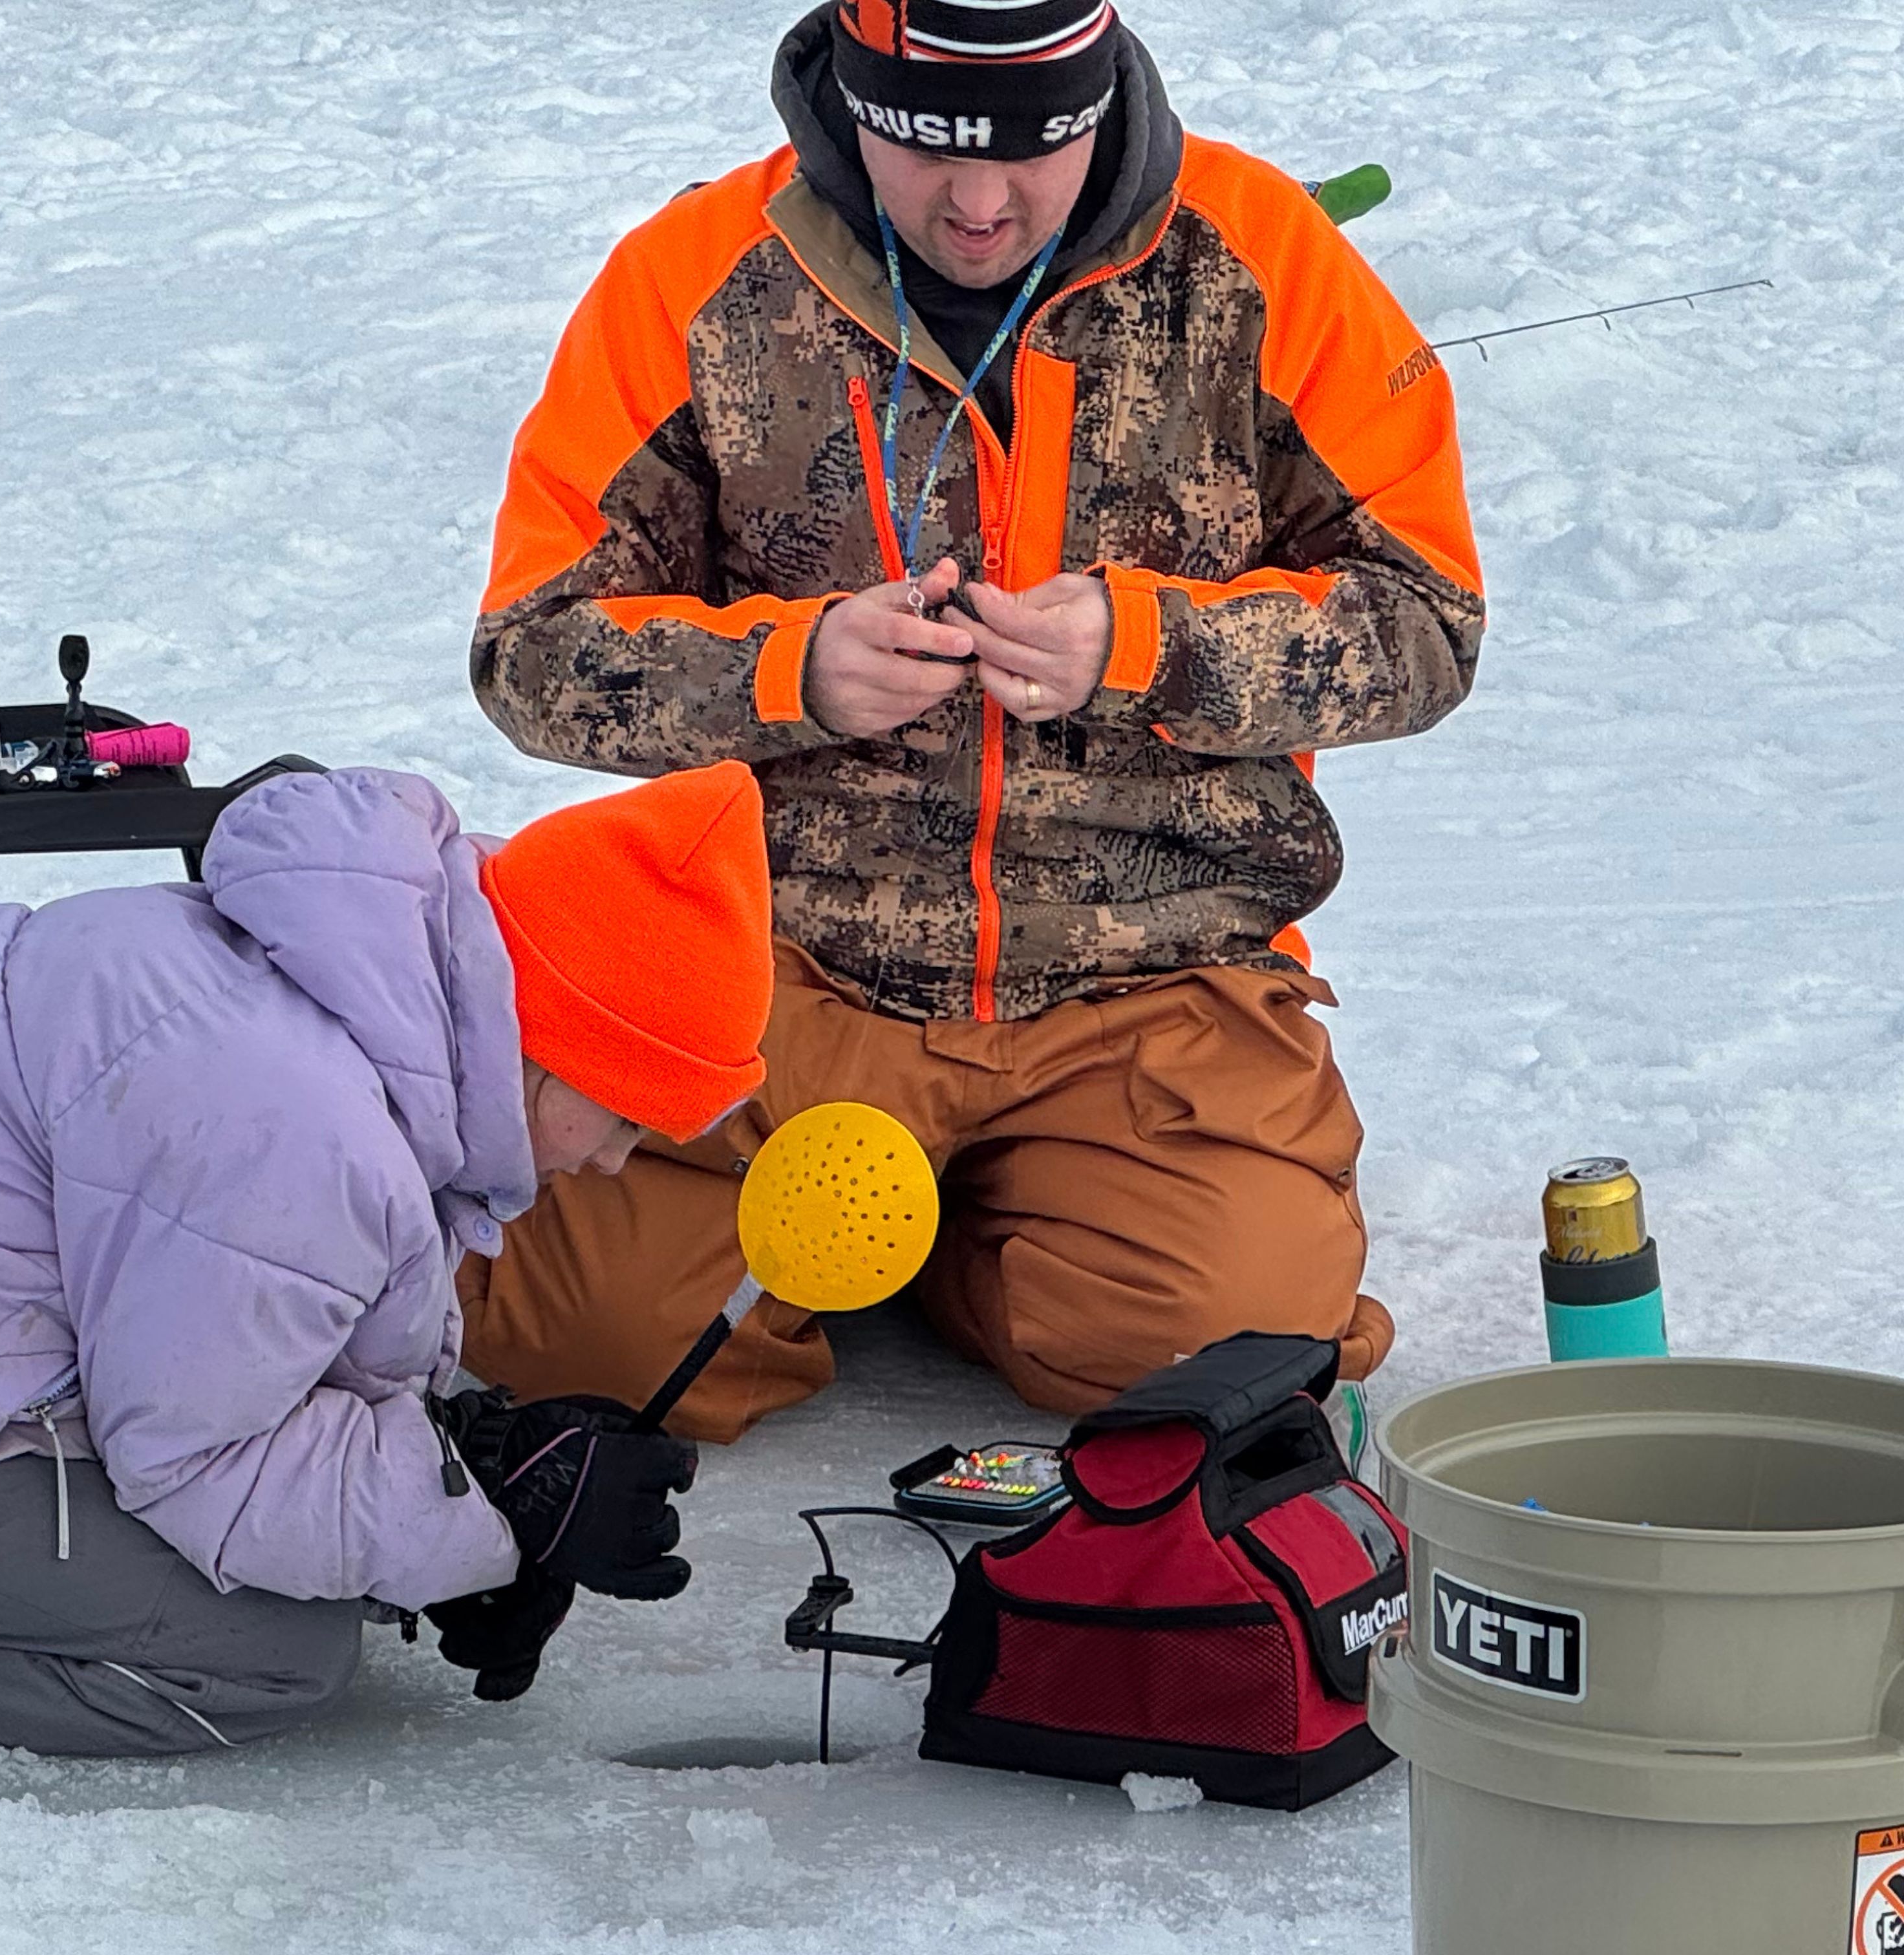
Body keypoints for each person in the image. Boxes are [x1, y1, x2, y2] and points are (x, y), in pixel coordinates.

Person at [462, 0, 1485, 1441]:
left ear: (1100, 96)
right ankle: (936, 1228)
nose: (983, 203)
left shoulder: (1266, 263)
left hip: (1151, 974)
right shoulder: (695, 279)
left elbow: (1428, 622)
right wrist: (786, 674)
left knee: (1227, 1365)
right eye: (929, 148)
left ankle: (949, 1234)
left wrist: (1149, 647)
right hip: (779, 972)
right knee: (578, 1340)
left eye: (1037, 148)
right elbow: (530, 650)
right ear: (849, 99)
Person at [0, 761, 775, 1753]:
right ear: (551, 1043)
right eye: (627, 1117)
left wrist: (466, 1474)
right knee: (270, 1652)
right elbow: (200, 1463)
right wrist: (487, 1509)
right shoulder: (299, 1121)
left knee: (312, 1566)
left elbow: (251, 1343)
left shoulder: (352, 984)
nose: (618, 1164)